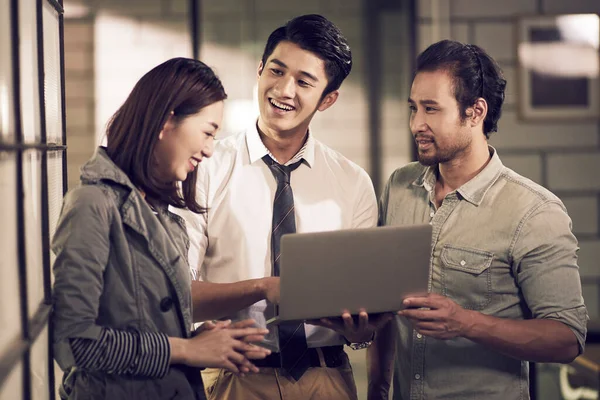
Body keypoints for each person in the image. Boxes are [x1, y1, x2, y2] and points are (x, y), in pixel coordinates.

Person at [175, 14, 390, 400]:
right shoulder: (204, 167)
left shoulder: (353, 183)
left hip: (326, 378)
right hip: (231, 375)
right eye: (276, 70)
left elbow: (363, 307)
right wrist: (262, 288)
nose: (284, 89)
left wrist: (361, 330)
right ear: (259, 70)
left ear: (328, 99)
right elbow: (179, 293)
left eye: (304, 82)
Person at [367, 39, 588, 400]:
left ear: (475, 112)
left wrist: (465, 322)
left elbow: (567, 338)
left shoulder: (534, 211)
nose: (416, 124)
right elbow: (388, 311)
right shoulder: (399, 187)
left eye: (431, 109)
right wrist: (377, 389)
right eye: (413, 108)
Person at [51, 58, 271, 400]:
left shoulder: (160, 214)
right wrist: (184, 349)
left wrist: (200, 341)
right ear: (167, 120)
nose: (211, 149)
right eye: (208, 131)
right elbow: (74, 343)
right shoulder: (92, 205)